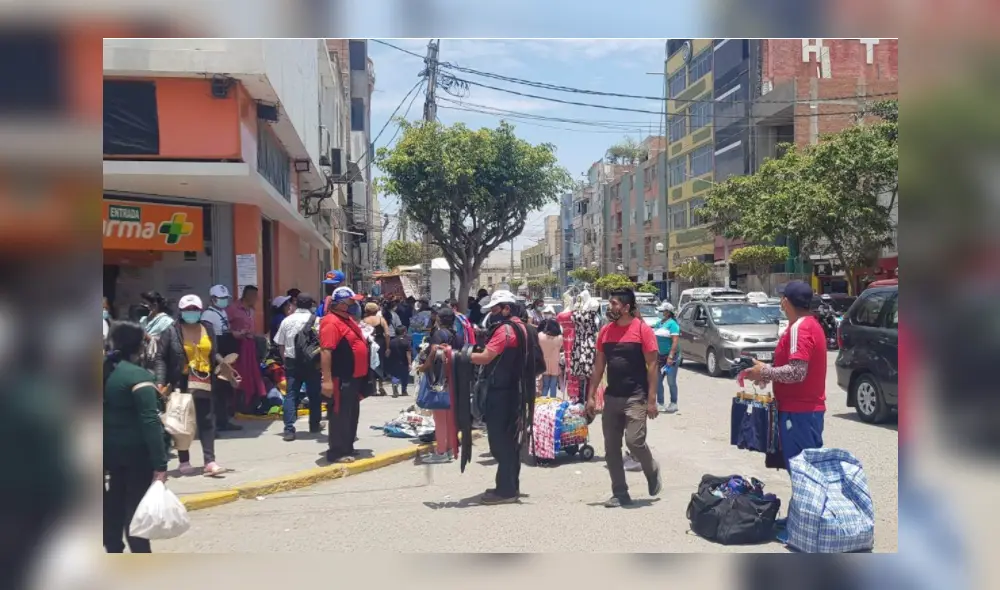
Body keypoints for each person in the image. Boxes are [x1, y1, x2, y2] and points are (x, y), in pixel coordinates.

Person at [587, 288, 662, 508]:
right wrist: (590, 396)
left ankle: (651, 468)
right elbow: (598, 366)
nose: (610, 308)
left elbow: (653, 365)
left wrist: (652, 400)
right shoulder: (605, 331)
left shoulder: (642, 330)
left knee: (634, 441)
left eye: (614, 304)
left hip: (636, 396)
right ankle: (620, 493)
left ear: (626, 307)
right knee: (611, 448)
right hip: (612, 397)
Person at [741, 280, 827, 467]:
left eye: (782, 298)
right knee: (804, 470)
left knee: (802, 471)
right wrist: (764, 370)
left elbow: (797, 372)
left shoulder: (799, 328)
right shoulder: (809, 325)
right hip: (803, 411)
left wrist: (765, 372)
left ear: (786, 302)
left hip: (798, 412)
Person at [103, 321, 169, 553]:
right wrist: (160, 464)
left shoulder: (106, 371)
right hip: (136, 454)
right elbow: (150, 421)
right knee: (135, 509)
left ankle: (113, 550)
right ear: (139, 346)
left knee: (113, 504)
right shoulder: (137, 376)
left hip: (108, 452)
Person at [469, 290, 533, 505]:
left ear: (506, 308)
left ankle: (505, 491)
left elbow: (486, 357)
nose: (492, 314)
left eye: (495, 309)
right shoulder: (522, 326)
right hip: (514, 390)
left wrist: (459, 355)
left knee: (500, 442)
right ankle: (510, 485)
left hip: (502, 392)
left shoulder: (506, 330)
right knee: (510, 441)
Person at [154, 294, 227, 476]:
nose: (191, 312)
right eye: (188, 310)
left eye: (195, 309)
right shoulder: (171, 331)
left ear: (200, 311)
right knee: (182, 421)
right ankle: (184, 461)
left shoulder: (207, 328)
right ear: (181, 311)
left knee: (207, 420)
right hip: (182, 381)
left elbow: (214, 353)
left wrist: (225, 366)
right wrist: (160, 381)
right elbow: (160, 358)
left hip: (204, 379)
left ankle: (210, 461)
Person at [319, 287, 368, 464]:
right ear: (341, 304)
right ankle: (337, 451)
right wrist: (327, 380)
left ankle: (348, 446)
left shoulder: (347, 319)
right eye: (351, 301)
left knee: (351, 413)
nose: (355, 305)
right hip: (341, 377)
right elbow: (326, 351)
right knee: (339, 414)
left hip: (353, 377)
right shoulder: (331, 322)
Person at [274, 293, 323, 441]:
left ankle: (289, 429)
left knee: (291, 395)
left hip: (292, 362)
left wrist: (285, 360)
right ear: (311, 305)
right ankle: (314, 425)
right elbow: (323, 343)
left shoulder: (287, 320)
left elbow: (280, 344)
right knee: (314, 394)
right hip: (312, 362)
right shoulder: (317, 320)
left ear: (295, 304)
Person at [419, 307, 466, 464]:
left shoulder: (439, 334)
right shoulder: (458, 336)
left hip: (439, 380)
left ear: (439, 319)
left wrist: (424, 366)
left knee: (439, 419)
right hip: (453, 379)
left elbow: (434, 351)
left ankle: (441, 452)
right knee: (450, 417)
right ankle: (450, 448)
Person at [200, 285, 242, 432]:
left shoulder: (222, 312)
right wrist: (219, 359)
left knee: (225, 388)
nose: (224, 301)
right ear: (213, 299)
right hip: (217, 355)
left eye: (225, 298)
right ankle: (214, 424)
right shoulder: (207, 316)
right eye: (221, 298)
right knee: (216, 391)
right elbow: (209, 340)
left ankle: (224, 420)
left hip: (226, 353)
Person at [229, 285, 266, 413]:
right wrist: (237, 333)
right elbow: (226, 327)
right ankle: (238, 404)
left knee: (253, 375)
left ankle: (250, 404)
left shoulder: (251, 310)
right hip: (239, 346)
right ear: (248, 296)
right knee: (241, 375)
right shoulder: (233, 309)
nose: (257, 299)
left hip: (250, 345)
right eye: (255, 296)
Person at [652, 301, 681, 414]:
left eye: (662, 311)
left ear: (668, 312)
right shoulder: (659, 323)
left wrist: (670, 356)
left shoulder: (673, 324)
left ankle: (673, 403)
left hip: (671, 357)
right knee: (658, 380)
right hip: (659, 357)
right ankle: (660, 402)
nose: (660, 313)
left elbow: (675, 342)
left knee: (671, 380)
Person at [361, 301, 391, 396]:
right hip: (380, 343)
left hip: (369, 343)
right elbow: (387, 334)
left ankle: (373, 388)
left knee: (370, 364)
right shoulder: (381, 320)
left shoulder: (364, 320)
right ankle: (381, 385)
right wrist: (388, 347)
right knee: (380, 363)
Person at [537, 319, 563, 398]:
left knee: (545, 385)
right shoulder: (559, 338)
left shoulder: (540, 336)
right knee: (553, 385)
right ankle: (553, 401)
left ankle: (543, 400)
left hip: (545, 363)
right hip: (555, 363)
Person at [387, 325, 412, 398]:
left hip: (394, 362)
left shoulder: (392, 342)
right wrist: (410, 363)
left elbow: (389, 352)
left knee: (395, 375)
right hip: (404, 362)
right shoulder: (406, 342)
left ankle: (395, 384)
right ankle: (404, 391)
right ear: (404, 332)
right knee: (404, 377)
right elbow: (408, 353)